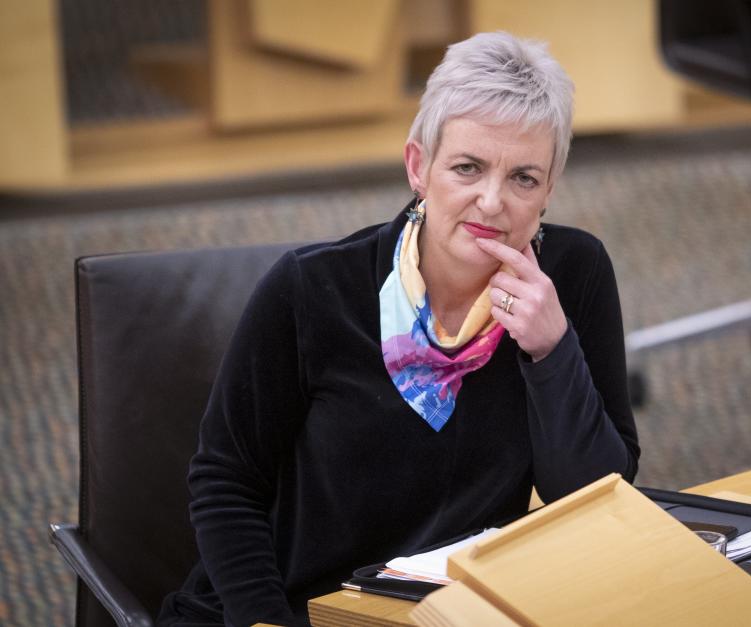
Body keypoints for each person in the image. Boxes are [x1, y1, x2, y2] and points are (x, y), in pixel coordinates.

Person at [158, 31, 639, 627]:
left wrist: (552, 352)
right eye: (468, 167)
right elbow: (225, 483)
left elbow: (591, 503)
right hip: (286, 608)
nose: (492, 202)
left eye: (523, 178)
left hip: (450, 614)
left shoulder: (574, 275)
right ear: (419, 166)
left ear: (549, 188)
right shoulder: (312, 290)